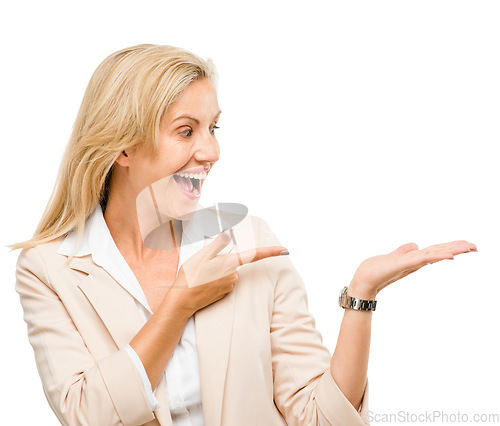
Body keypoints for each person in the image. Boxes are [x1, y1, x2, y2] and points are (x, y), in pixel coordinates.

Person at [9, 44, 477, 426]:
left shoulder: (249, 242)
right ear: (124, 147)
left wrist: (361, 297)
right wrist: (179, 304)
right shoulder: (50, 269)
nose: (210, 151)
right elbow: (86, 414)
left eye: (213, 128)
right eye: (186, 131)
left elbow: (318, 418)